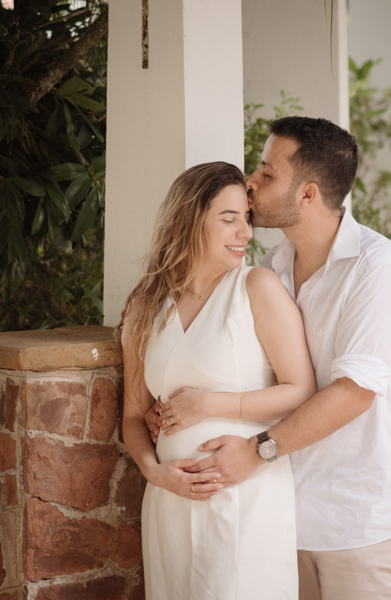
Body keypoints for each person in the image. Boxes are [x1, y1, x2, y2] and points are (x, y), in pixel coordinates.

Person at [185, 117, 391, 600]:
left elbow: (353, 394)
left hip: (358, 521)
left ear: (308, 194)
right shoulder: (270, 267)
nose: (251, 182)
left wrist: (255, 452)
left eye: (268, 173)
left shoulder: (377, 269)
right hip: (282, 513)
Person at [119, 161, 317, 600]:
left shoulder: (257, 288)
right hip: (170, 501)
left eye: (246, 218)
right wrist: (155, 473)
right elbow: (133, 416)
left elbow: (301, 391)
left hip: (246, 494)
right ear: (189, 221)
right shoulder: (145, 305)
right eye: (229, 219)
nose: (245, 232)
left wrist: (210, 404)